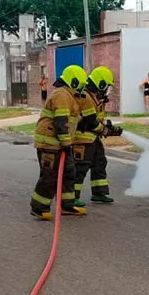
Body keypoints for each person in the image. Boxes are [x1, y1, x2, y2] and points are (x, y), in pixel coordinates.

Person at [30, 65, 88, 220]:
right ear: (74, 82)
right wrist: (67, 143)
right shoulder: (62, 95)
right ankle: (39, 207)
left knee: (69, 172)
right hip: (49, 144)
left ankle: (66, 205)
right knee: (50, 176)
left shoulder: (69, 96)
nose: (82, 89)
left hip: (59, 143)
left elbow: (72, 119)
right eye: (81, 85)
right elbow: (60, 122)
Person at [73, 66, 123, 207]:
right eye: (106, 86)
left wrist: (107, 128)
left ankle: (99, 192)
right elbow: (91, 122)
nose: (107, 89)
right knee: (80, 167)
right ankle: (72, 197)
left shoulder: (96, 98)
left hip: (93, 139)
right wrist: (105, 131)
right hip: (82, 139)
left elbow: (98, 120)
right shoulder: (87, 97)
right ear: (100, 83)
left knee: (99, 163)